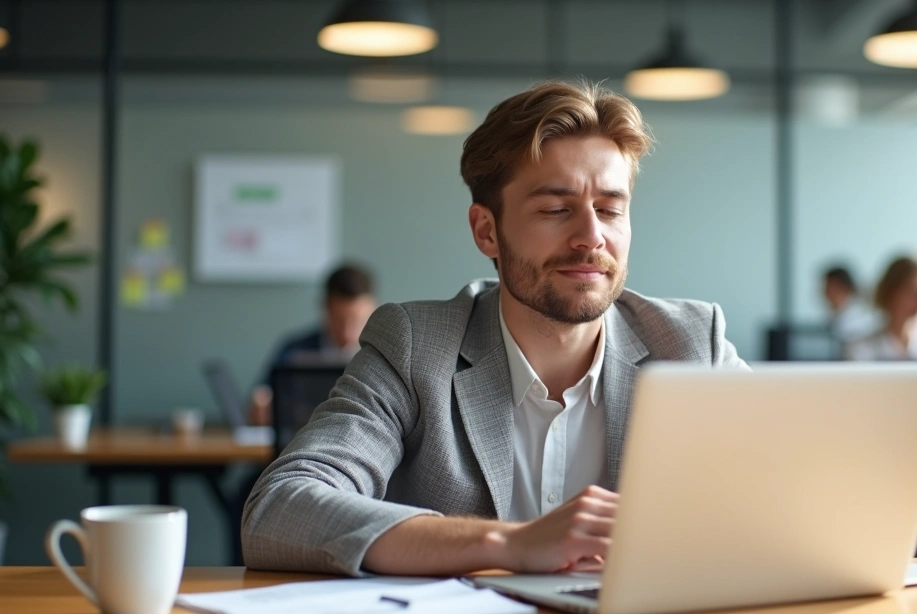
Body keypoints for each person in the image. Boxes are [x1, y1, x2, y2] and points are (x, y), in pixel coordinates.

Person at [241, 81, 748, 577]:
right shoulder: (416, 346)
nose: (592, 237)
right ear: (487, 230)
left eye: (611, 210)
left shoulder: (689, 344)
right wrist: (510, 544)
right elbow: (280, 509)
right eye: (555, 209)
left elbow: (803, 493)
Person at [247, 263, 378, 426]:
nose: (347, 332)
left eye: (357, 320)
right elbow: (261, 398)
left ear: (373, 309)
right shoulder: (294, 350)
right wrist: (261, 406)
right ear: (325, 307)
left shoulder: (380, 355)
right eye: (339, 320)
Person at [821, 264, 879, 343]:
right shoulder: (841, 315)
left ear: (839, 288)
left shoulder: (855, 319)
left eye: (828, 287)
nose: (824, 293)